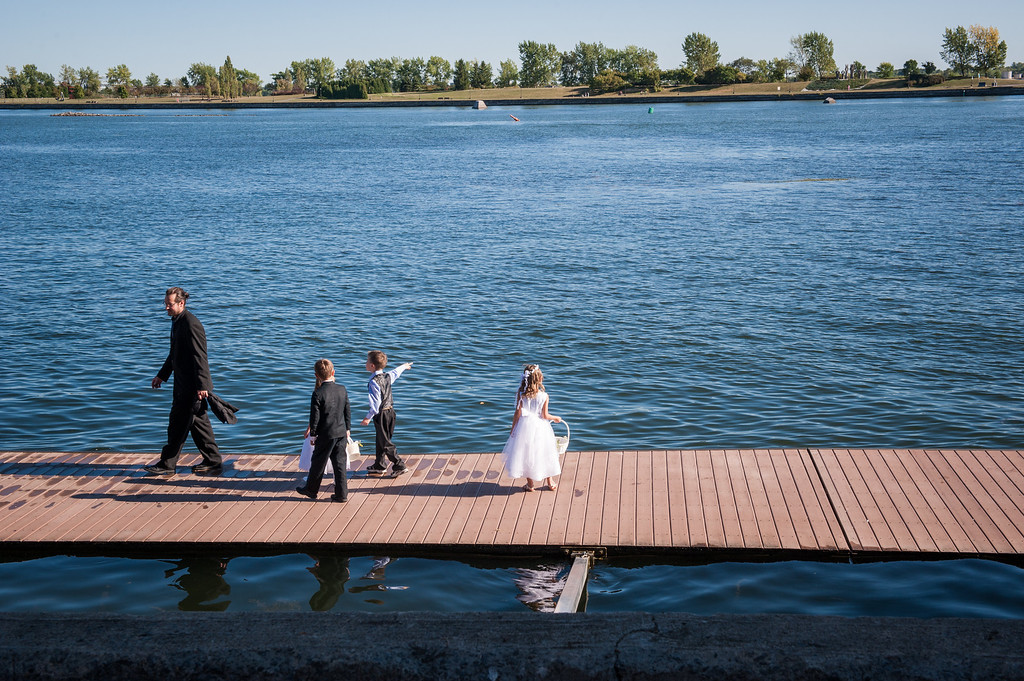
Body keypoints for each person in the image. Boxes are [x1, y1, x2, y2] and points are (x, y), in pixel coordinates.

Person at [145, 287, 223, 476]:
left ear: (181, 303)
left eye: (169, 304)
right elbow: (174, 354)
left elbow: (200, 357)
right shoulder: (177, 321)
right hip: (182, 385)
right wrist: (162, 376)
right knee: (198, 424)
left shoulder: (191, 324)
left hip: (191, 387)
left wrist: (203, 386)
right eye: (165, 304)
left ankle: (167, 464)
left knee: (177, 424)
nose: (166, 308)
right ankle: (213, 460)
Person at [296, 358, 351, 502]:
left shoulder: (318, 393)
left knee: (318, 462)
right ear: (333, 372)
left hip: (325, 434)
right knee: (340, 464)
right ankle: (341, 494)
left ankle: (311, 490)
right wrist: (348, 428)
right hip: (340, 432)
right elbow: (347, 411)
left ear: (316, 375)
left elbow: (315, 417)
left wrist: (313, 435)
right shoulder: (342, 389)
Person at [501, 364, 562, 492]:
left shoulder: (521, 394)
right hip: (540, 428)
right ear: (539, 379)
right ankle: (550, 482)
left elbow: (517, 413)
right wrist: (555, 418)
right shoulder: (544, 396)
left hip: (524, 427)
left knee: (525, 454)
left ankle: (530, 484)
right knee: (544, 453)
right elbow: (544, 415)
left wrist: (513, 429)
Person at [360, 351, 412, 475]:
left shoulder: (373, 382)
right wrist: (404, 366)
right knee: (381, 439)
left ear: (372, 366)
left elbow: (376, 404)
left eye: (367, 362)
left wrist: (368, 417)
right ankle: (380, 464)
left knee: (385, 442)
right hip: (391, 412)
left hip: (381, 414)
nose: (365, 363)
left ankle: (399, 465)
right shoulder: (387, 376)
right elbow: (396, 372)